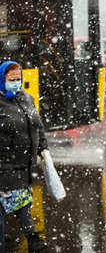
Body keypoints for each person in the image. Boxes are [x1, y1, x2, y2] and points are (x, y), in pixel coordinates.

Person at [0, 61, 48, 253]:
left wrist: (43, 148)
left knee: (18, 201)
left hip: (22, 165)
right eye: (12, 80)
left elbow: (38, 125)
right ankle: (28, 240)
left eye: (19, 79)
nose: (16, 83)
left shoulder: (26, 98)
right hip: (3, 165)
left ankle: (31, 239)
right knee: (16, 203)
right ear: (2, 80)